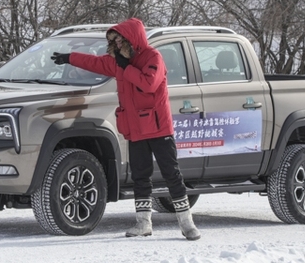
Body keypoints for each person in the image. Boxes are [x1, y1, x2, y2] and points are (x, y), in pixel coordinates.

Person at [51, 18, 200, 240]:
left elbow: (148, 83)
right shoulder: (118, 61)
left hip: (158, 128)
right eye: (115, 41)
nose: (118, 45)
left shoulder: (153, 57)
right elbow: (95, 63)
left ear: (133, 39)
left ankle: (187, 223)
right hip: (135, 128)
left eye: (121, 40)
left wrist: (125, 66)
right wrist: (69, 58)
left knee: (172, 174)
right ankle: (143, 223)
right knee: (140, 176)